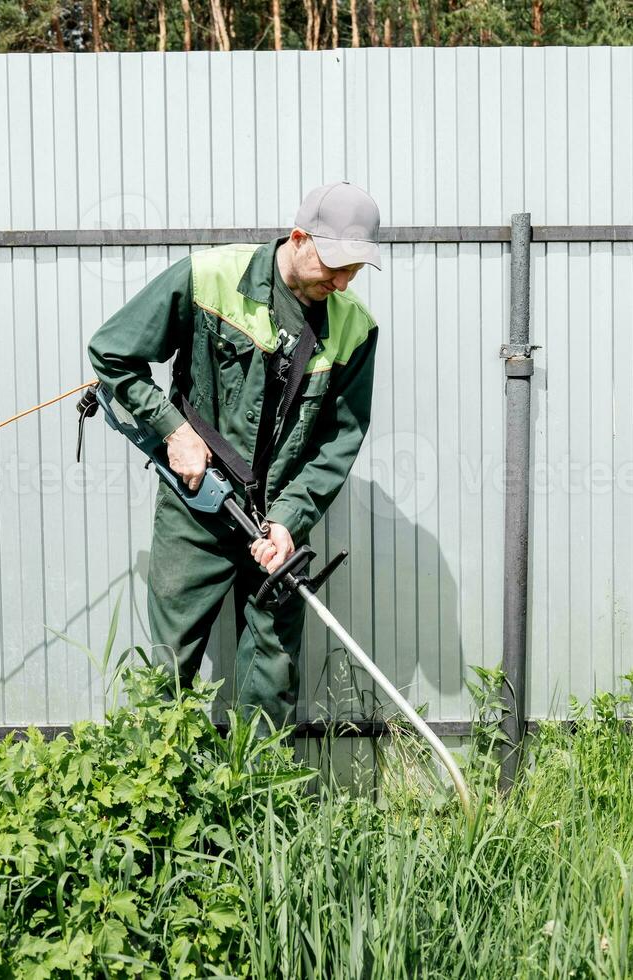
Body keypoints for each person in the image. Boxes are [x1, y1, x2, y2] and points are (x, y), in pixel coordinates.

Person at [88, 180, 381, 733]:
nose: (342, 282)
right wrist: (172, 429)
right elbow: (113, 352)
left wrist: (291, 521)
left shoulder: (355, 328)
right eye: (334, 266)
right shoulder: (208, 279)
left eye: (355, 271)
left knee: (271, 675)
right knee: (169, 667)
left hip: (278, 528)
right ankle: (159, 800)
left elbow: (337, 443)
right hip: (195, 507)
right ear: (299, 238)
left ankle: (259, 806)